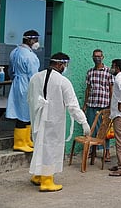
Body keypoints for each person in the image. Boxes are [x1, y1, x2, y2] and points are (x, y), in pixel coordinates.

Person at [27, 52, 91, 192]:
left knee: (40, 147)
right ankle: (47, 181)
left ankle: (38, 175)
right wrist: (83, 122)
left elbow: (30, 99)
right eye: (65, 65)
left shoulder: (35, 78)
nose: (65, 68)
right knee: (50, 149)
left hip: (38, 120)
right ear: (60, 64)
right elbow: (72, 105)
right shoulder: (63, 81)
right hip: (54, 121)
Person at [7, 30, 41, 153]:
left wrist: (15, 79)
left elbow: (10, 70)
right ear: (29, 40)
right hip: (27, 85)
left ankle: (26, 140)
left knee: (24, 113)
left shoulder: (14, 52)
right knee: (24, 114)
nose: (37, 43)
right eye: (35, 40)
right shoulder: (30, 56)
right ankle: (20, 143)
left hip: (16, 83)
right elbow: (34, 76)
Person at [83, 49, 114, 162]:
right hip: (92, 104)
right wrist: (85, 104)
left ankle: (107, 151)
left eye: (99, 56)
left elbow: (111, 89)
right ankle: (93, 151)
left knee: (104, 129)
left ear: (103, 57)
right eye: (95, 56)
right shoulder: (90, 72)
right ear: (92, 57)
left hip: (104, 104)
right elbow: (88, 89)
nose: (97, 58)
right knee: (92, 128)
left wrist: (111, 105)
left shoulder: (108, 72)